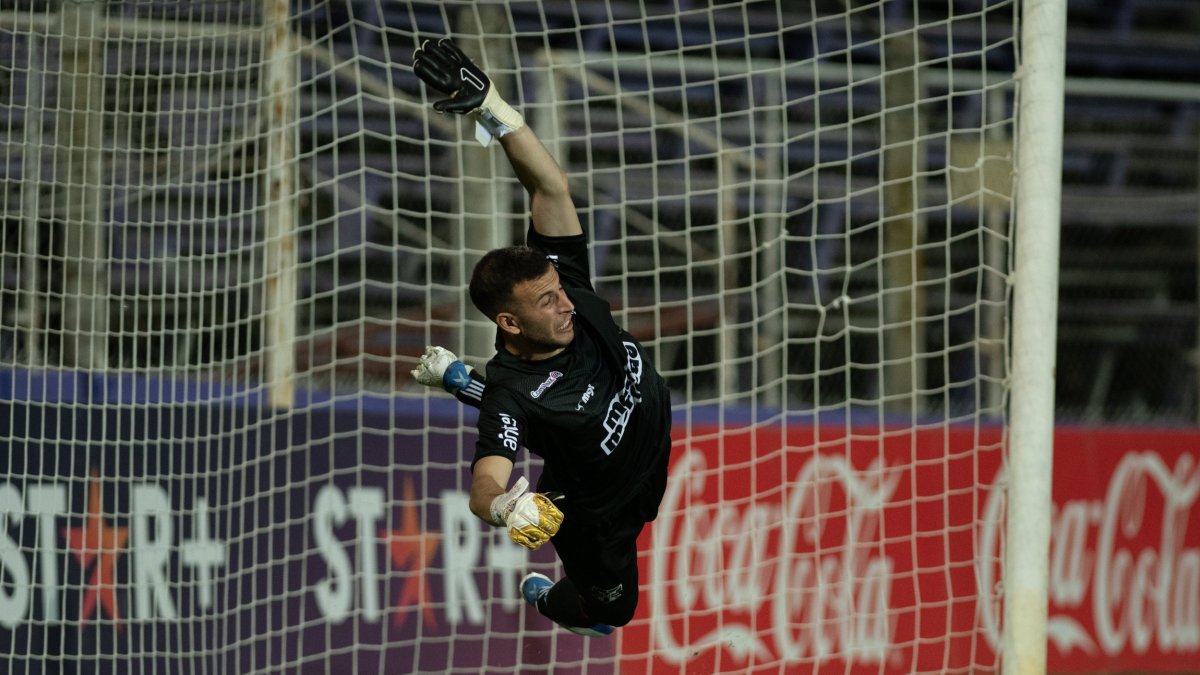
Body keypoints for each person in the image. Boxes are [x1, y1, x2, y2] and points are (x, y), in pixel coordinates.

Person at [410, 38, 673, 637]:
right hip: (597, 513)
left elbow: (549, 190)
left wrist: (494, 111)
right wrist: (501, 508)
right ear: (509, 323)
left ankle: (455, 380)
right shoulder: (510, 391)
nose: (566, 305)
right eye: (547, 301)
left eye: (559, 287)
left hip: (646, 438)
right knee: (610, 613)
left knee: (553, 424)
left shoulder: (566, 289)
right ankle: (547, 598)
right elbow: (486, 482)